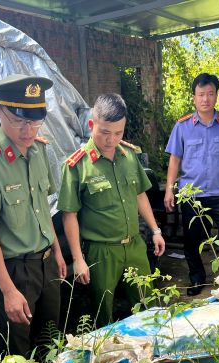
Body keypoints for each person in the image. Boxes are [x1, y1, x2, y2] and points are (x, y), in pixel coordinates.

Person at [0, 74, 66, 361]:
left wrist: (56, 251)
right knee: (17, 358)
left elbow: (43, 209)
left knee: (51, 347)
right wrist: (8, 291)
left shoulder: (40, 151)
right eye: (19, 120)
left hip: (46, 267)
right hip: (13, 273)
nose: (28, 129)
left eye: (35, 120)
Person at [58, 93, 166, 327]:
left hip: (135, 245)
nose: (111, 140)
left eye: (118, 133)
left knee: (148, 305)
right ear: (91, 125)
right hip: (102, 251)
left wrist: (155, 230)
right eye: (105, 132)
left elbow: (139, 195)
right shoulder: (77, 166)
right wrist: (78, 259)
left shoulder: (129, 156)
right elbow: (70, 215)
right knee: (102, 314)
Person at [164, 72, 219, 296]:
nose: (205, 99)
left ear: (216, 95)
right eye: (201, 94)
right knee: (191, 241)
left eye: (210, 94)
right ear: (194, 97)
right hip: (192, 194)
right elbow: (175, 160)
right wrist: (170, 189)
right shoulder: (182, 126)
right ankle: (197, 279)